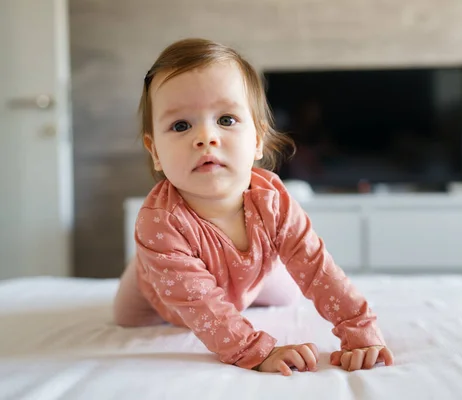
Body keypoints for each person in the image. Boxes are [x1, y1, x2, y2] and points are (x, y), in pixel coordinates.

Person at [113, 38, 393, 376]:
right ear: (154, 150)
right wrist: (256, 351)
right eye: (181, 125)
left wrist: (359, 329)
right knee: (126, 320)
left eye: (227, 120)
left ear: (258, 139)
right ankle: (141, 264)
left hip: (249, 277)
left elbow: (318, 270)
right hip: (162, 291)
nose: (206, 137)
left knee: (287, 295)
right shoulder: (159, 223)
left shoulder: (272, 200)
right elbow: (202, 307)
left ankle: (255, 274)